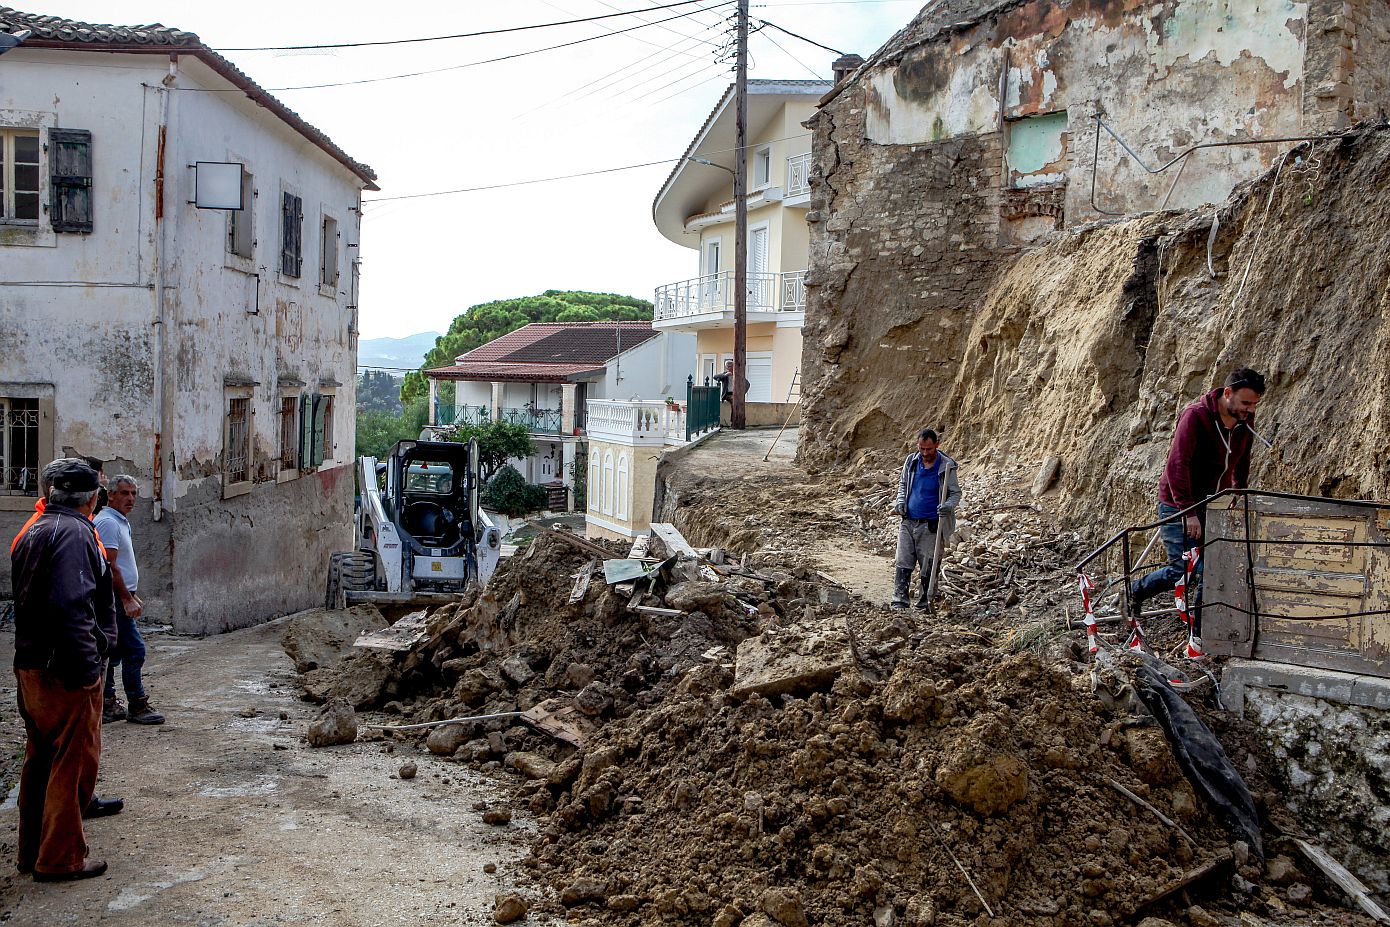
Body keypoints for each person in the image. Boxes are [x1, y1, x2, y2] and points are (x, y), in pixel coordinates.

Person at [10, 459, 116, 881]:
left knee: (40, 758)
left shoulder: (33, 529)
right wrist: (89, 668)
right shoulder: (76, 533)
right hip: (66, 667)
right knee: (70, 764)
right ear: (93, 499)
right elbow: (73, 605)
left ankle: (31, 851)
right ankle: (60, 858)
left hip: (32, 664)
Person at [1130, 367, 1267, 651]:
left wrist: (1238, 491)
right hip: (1179, 504)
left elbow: (1243, 459)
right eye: (1246, 403)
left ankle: (1201, 632)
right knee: (1183, 570)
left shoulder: (1244, 419)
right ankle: (1133, 592)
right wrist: (1188, 512)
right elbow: (1177, 465)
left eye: (1254, 404)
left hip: (1213, 503)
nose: (1250, 409)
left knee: (1213, 569)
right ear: (1227, 393)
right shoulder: (1196, 417)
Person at [93, 475, 164, 725]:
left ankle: (108, 703)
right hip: (112, 599)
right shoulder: (108, 522)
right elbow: (109, 566)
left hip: (119, 596)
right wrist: (125, 598)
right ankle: (136, 704)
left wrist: (132, 594)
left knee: (114, 652)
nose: (131, 499)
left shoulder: (119, 520)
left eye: (133, 493)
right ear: (110, 495)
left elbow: (121, 564)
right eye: (125, 493)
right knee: (134, 650)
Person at [891, 428, 961, 609]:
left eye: (928, 449)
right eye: (921, 448)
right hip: (908, 521)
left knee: (929, 564)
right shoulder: (911, 461)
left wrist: (948, 506)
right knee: (903, 560)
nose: (924, 453)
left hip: (931, 525)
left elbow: (955, 493)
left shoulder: (946, 466)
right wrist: (900, 502)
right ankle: (900, 600)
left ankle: (925, 603)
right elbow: (903, 485)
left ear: (937, 445)